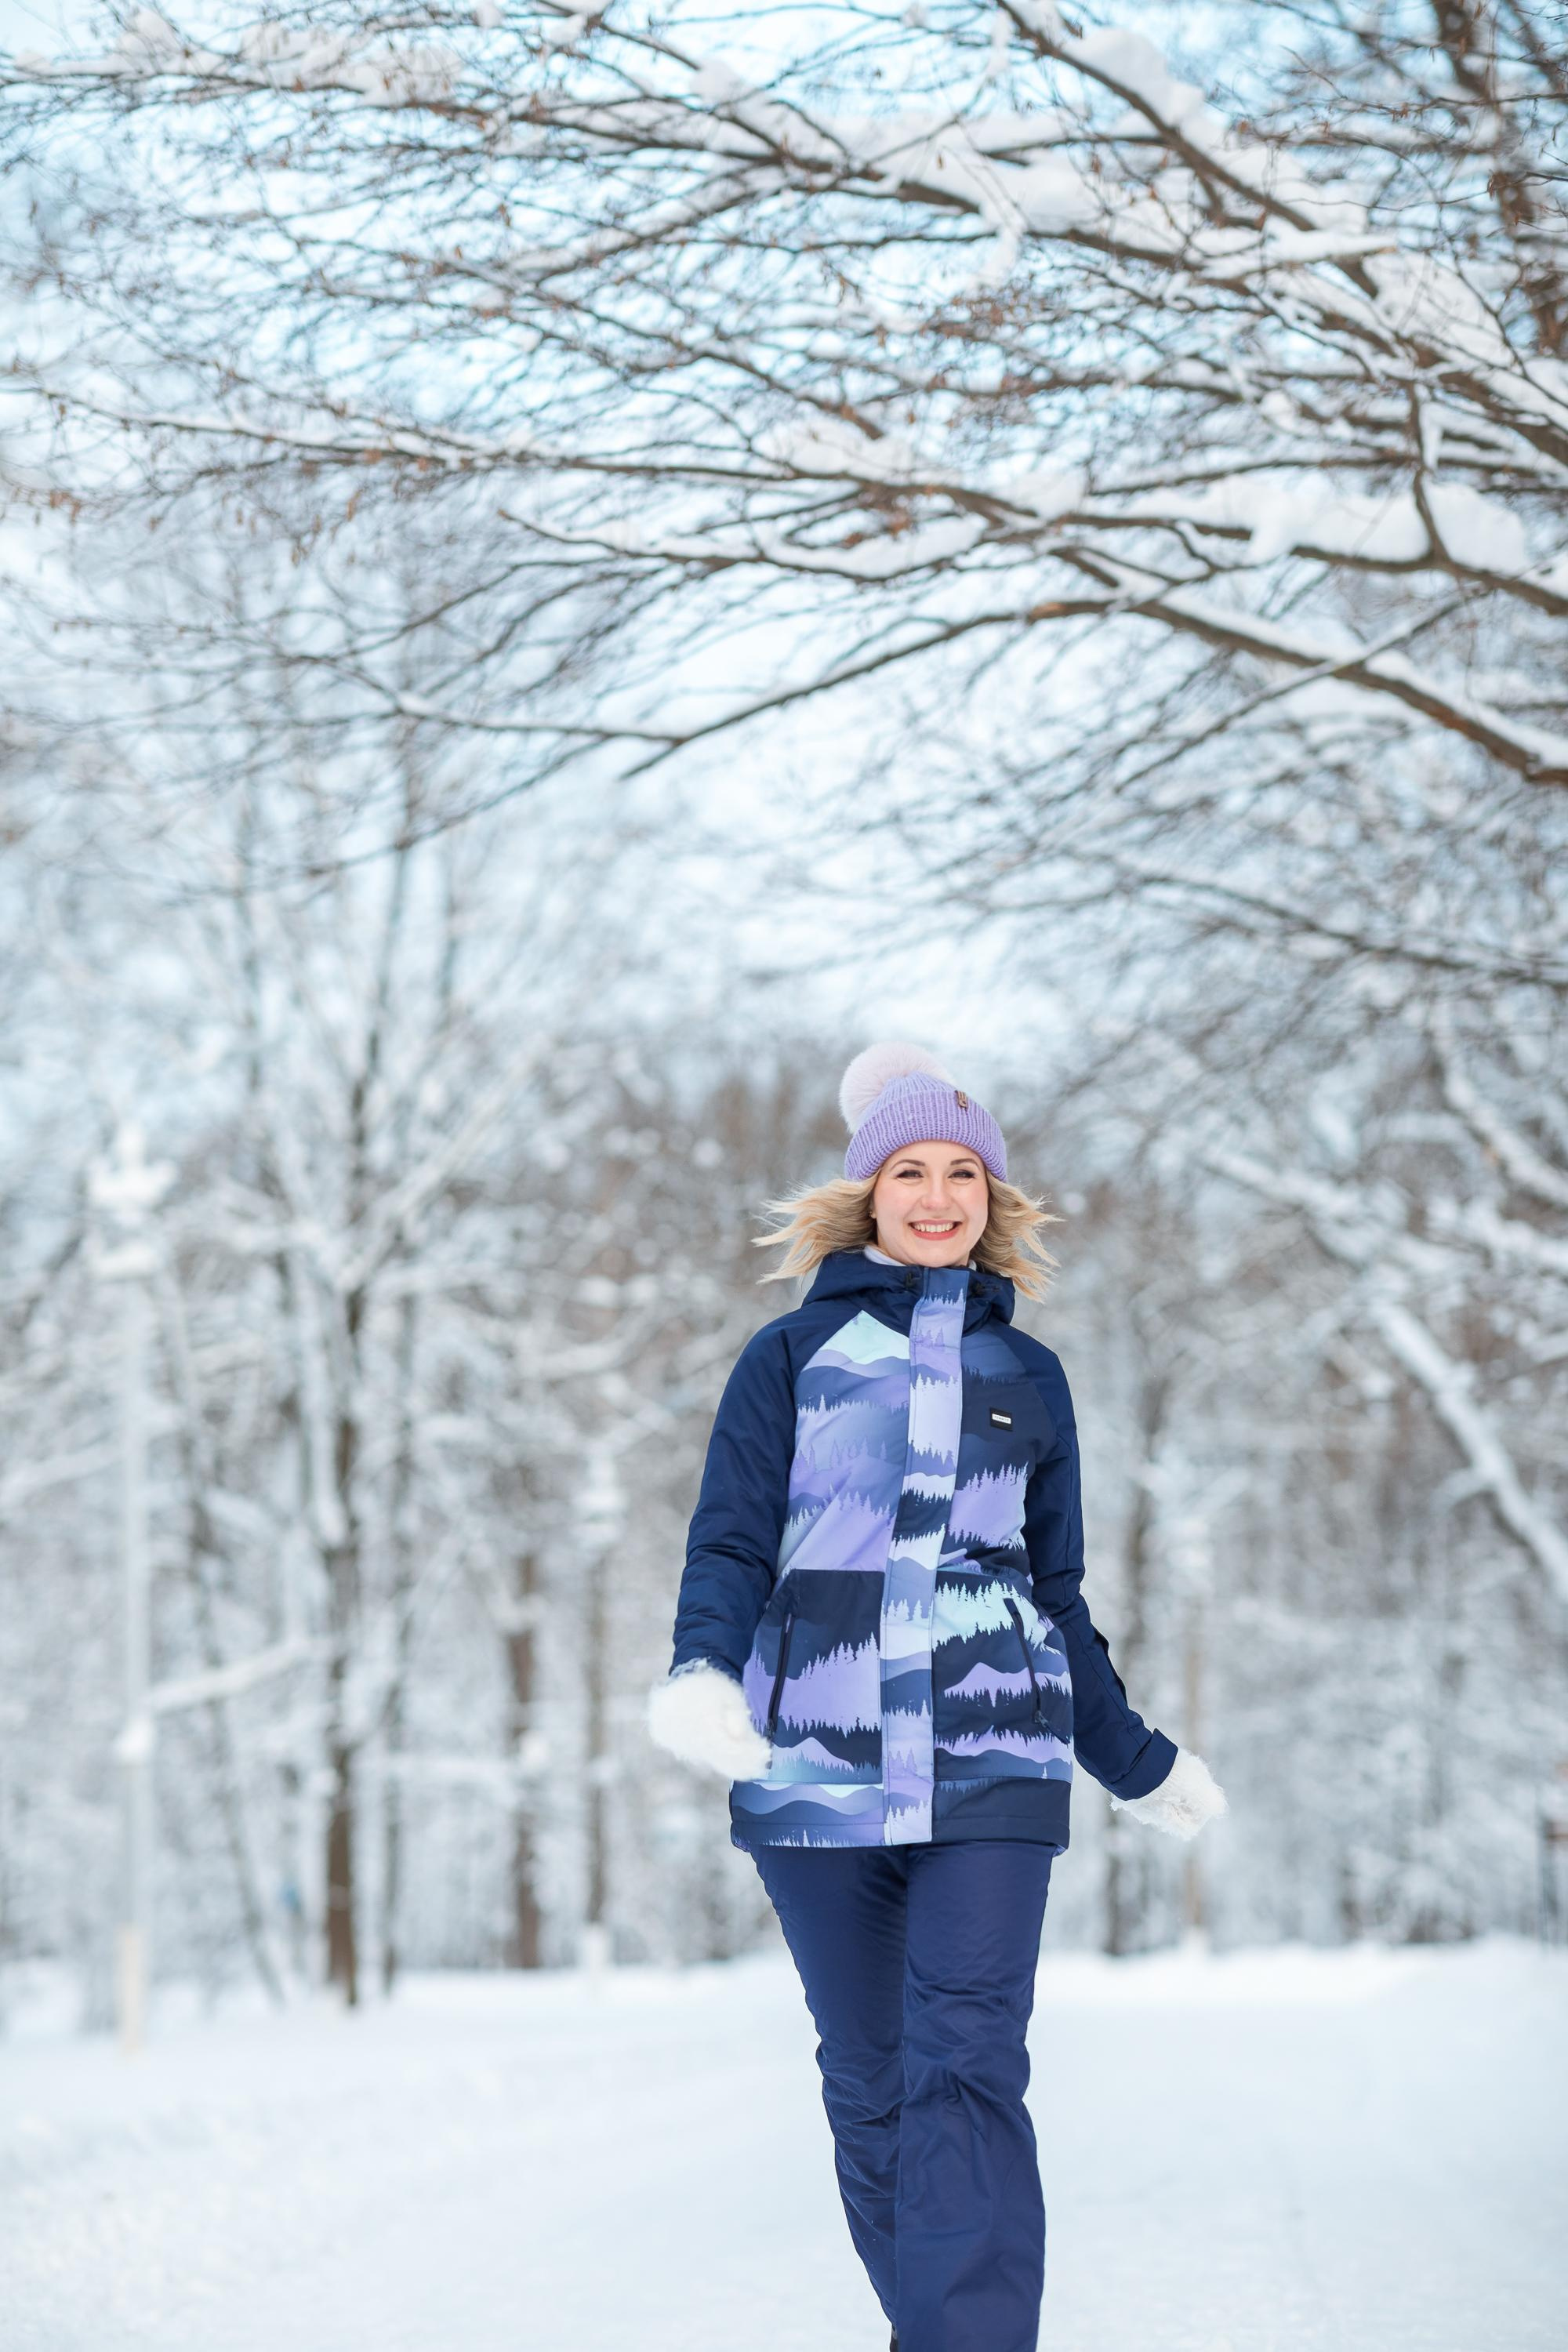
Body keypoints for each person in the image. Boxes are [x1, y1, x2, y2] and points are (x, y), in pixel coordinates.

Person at [648, 1042, 1226, 2352]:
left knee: (968, 2066)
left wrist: (1132, 1758)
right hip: (815, 1761)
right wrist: (702, 1673)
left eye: (963, 1172)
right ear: (866, 1194)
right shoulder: (790, 1357)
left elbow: (1056, 1592)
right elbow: (732, 1538)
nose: (937, 1194)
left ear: (992, 1198)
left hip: (996, 1759)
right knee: (873, 2084)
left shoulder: (1031, 1378)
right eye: (909, 1169)